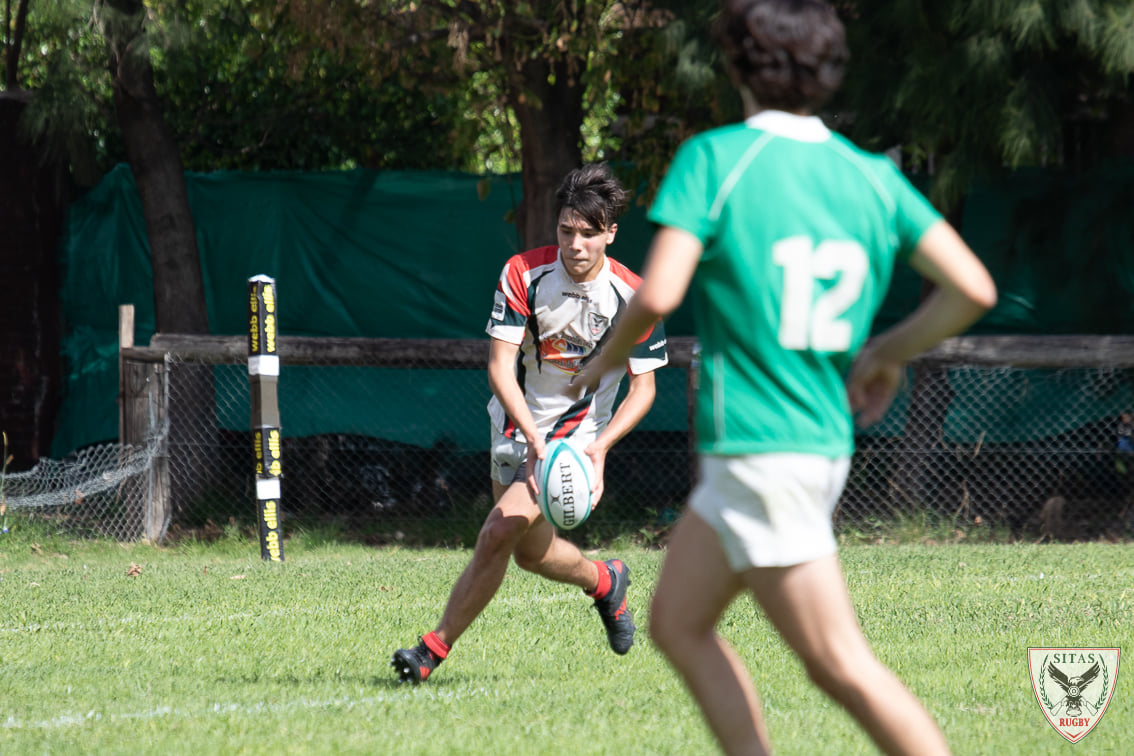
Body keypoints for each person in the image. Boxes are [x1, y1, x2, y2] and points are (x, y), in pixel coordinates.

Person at [576, 1, 997, 754]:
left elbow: (662, 293)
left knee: (839, 665)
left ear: (736, 65)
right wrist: (886, 354)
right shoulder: (871, 177)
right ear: (828, 73)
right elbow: (973, 288)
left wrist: (606, 359)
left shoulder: (717, 158)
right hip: (801, 445)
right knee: (676, 622)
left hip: (764, 450)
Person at [392, 163, 670, 683]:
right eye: (567, 231)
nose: (576, 244)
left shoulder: (635, 295)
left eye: (589, 233)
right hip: (516, 420)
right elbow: (500, 367)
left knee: (497, 530)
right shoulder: (523, 272)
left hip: (577, 435)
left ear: (611, 232)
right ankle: (605, 581)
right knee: (528, 552)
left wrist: (602, 446)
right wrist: (530, 436)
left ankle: (431, 651)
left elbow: (645, 389)